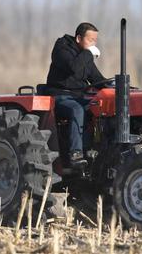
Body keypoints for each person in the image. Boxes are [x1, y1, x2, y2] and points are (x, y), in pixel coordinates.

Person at [44, 22, 107, 165]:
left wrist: (117, 86)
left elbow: (97, 79)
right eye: (90, 40)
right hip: (60, 95)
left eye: (95, 41)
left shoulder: (85, 55)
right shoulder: (62, 49)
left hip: (78, 96)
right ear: (78, 38)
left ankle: (96, 151)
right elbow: (75, 68)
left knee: (98, 108)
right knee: (77, 109)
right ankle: (76, 153)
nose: (93, 44)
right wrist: (88, 53)